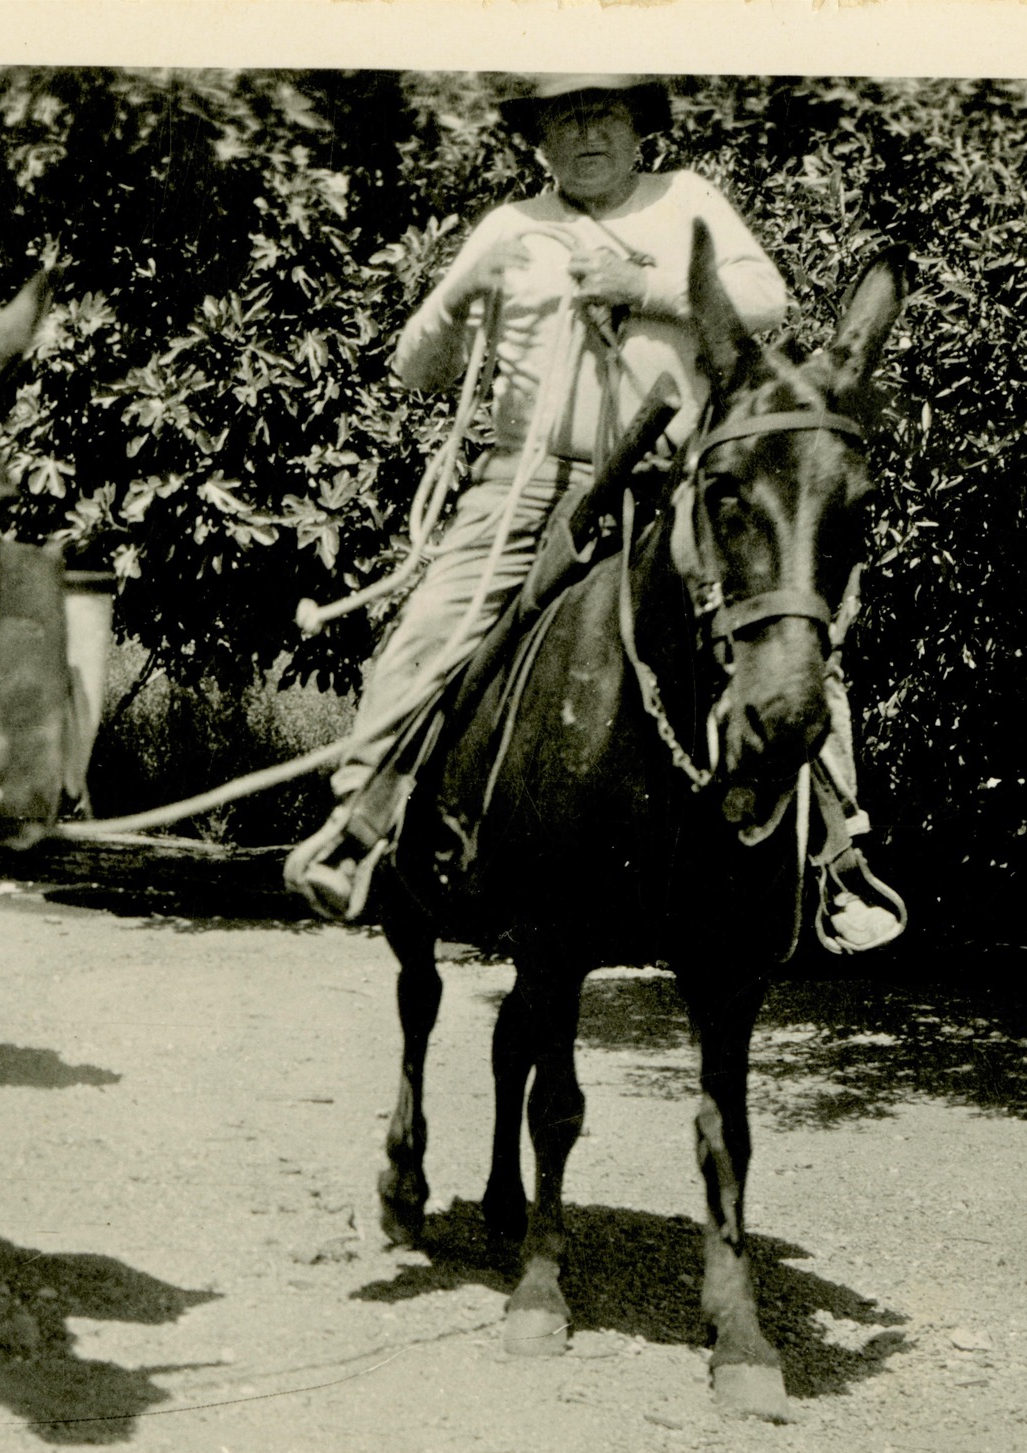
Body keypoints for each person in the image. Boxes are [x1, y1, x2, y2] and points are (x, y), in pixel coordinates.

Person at [285, 72, 904, 952]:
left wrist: (641, 282)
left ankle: (839, 859)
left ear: (636, 127)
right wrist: (459, 295)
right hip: (526, 483)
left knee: (782, 626)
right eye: (563, 118)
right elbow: (411, 366)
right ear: (538, 139)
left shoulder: (684, 199)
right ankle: (358, 828)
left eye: (603, 113)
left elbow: (766, 301)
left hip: (672, 481)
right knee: (435, 625)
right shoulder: (507, 228)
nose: (586, 133)